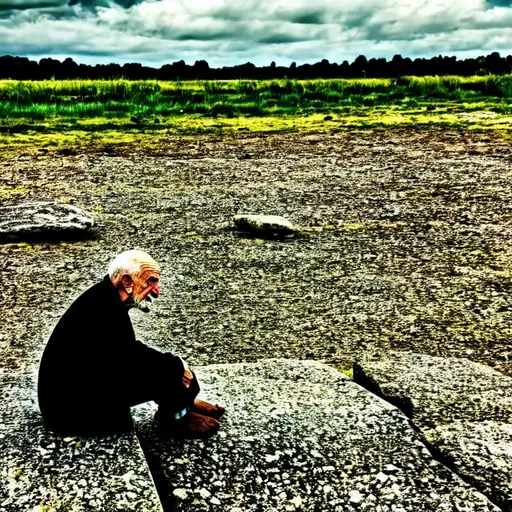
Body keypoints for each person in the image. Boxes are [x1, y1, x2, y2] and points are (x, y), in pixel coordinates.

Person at [37, 249, 224, 437]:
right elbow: (126, 359)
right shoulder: (101, 309)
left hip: (71, 395)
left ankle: (184, 403)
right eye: (150, 281)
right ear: (126, 282)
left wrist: (175, 368)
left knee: (166, 368)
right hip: (72, 414)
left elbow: (125, 349)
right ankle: (177, 418)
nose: (156, 292)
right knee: (167, 371)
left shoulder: (105, 298)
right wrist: (177, 368)